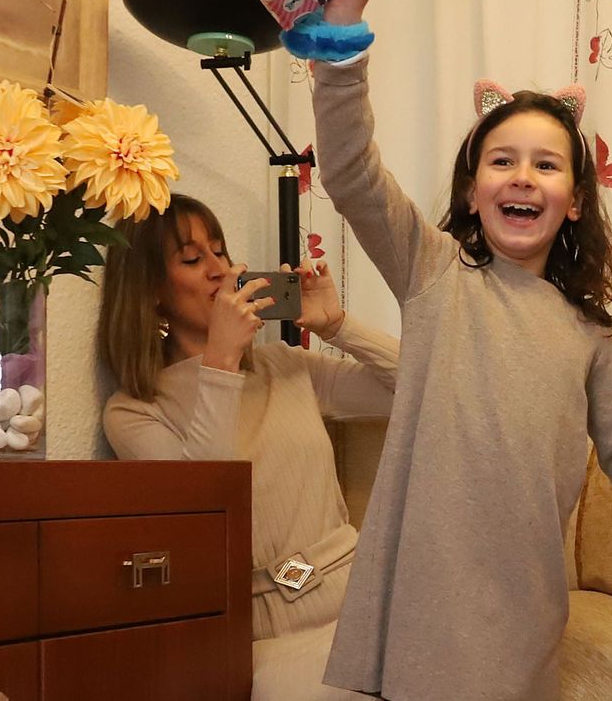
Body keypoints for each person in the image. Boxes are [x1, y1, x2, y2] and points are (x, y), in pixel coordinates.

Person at [304, 0, 612, 700]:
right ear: (473, 186)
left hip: (522, 609)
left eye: (547, 165)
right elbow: (351, 169)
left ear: (576, 198)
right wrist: (345, 29)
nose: (523, 176)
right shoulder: (434, 273)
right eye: (502, 161)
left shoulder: (587, 335)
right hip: (422, 596)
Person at [98, 194, 397, 701]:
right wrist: (220, 362)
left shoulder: (286, 365)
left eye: (220, 252)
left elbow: (419, 390)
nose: (221, 270)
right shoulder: (134, 411)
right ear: (151, 293)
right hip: (266, 635)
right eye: (193, 260)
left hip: (369, 603)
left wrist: (337, 326)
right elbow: (205, 511)